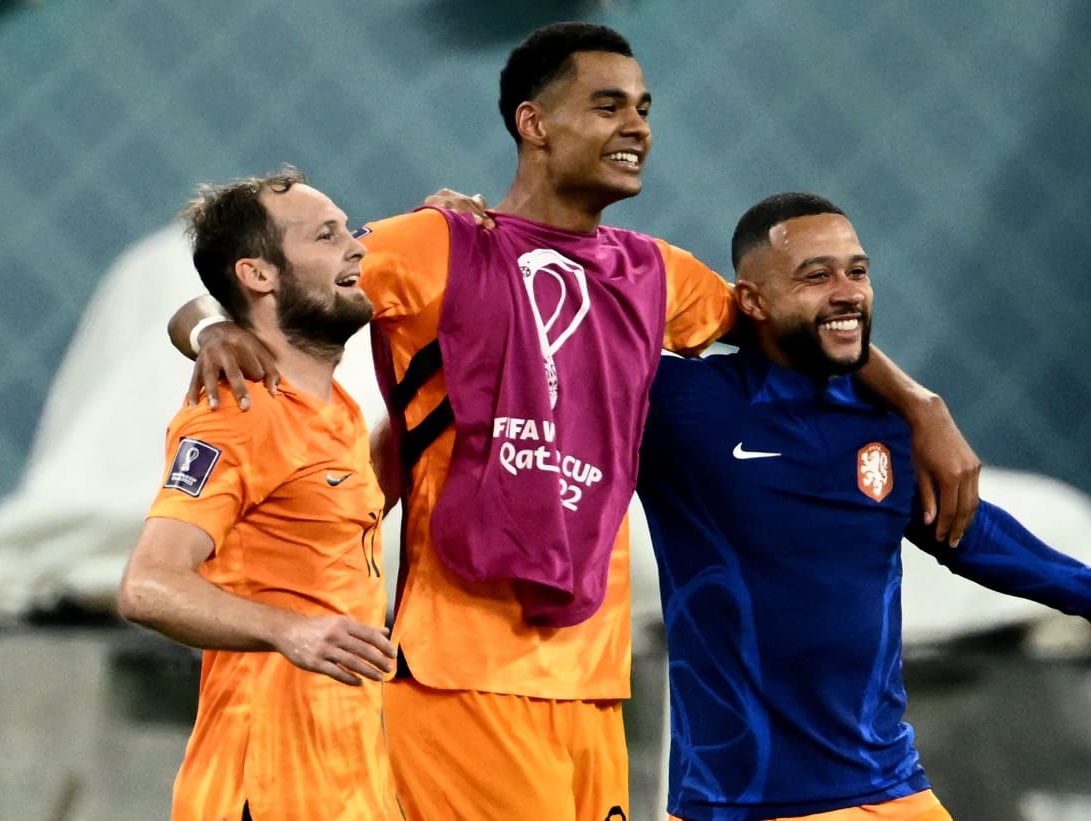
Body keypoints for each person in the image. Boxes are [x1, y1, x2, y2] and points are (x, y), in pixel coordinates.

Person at [169, 24, 980, 820]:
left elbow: (796, 320)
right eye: (607, 106)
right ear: (534, 123)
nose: (637, 128)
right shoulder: (437, 244)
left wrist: (920, 404)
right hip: (461, 674)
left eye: (644, 108)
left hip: (594, 676)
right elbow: (263, 292)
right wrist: (210, 330)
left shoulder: (656, 272)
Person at [636, 192, 1091, 821]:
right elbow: (575, 323)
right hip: (739, 804)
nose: (847, 291)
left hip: (890, 794)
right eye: (816, 275)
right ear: (752, 300)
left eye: (858, 271)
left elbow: (970, 532)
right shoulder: (678, 404)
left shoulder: (888, 427)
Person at [118, 167, 398, 821]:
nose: (356, 246)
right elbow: (148, 584)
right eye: (327, 236)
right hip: (263, 792)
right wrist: (289, 631)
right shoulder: (237, 411)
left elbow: (330, 532)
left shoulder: (340, 412)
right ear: (261, 275)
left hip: (349, 790)